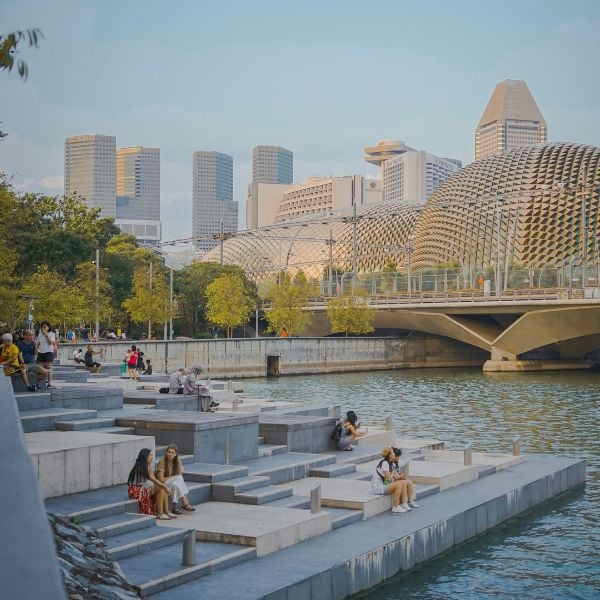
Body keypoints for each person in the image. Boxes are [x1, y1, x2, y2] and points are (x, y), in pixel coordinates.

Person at [127, 448, 175, 520]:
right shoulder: (140, 467)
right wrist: (164, 487)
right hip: (135, 490)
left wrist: (163, 486)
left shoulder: (148, 466)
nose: (151, 457)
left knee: (161, 488)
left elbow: (154, 479)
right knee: (161, 487)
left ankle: (166, 512)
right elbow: (152, 479)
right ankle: (160, 513)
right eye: (149, 456)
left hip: (144, 487)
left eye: (151, 455)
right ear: (144, 456)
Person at [370, 447, 419, 514]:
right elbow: (389, 478)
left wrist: (400, 476)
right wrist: (394, 474)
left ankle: (404, 503)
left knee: (403, 482)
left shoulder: (391, 464)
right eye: (393, 452)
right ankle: (395, 507)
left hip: (384, 484)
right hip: (378, 487)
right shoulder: (384, 463)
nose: (394, 454)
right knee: (398, 484)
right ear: (390, 455)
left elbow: (390, 478)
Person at [156, 444, 195, 514]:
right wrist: (172, 477)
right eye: (169, 452)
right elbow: (161, 479)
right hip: (163, 484)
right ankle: (185, 502)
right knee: (178, 478)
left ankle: (174, 507)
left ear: (176, 454)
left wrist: (178, 462)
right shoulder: (162, 462)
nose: (170, 454)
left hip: (172, 483)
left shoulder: (176, 461)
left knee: (176, 485)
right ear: (166, 452)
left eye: (173, 452)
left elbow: (180, 472)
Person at [36, 321, 55, 388]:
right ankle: (38, 383)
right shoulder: (40, 334)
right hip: (41, 352)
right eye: (42, 327)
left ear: (48, 327)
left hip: (49, 352)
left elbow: (50, 343)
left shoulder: (52, 334)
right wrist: (36, 351)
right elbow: (37, 343)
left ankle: (49, 383)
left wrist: (46, 334)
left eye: (45, 327)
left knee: (48, 367)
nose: (43, 328)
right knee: (40, 369)